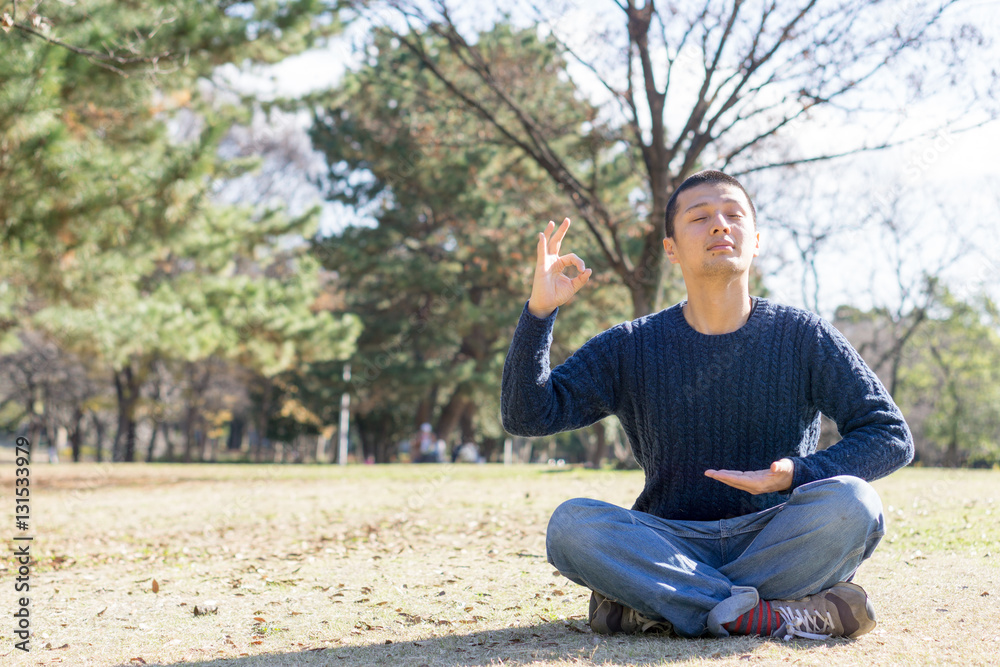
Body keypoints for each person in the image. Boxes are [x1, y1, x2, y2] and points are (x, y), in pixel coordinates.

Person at [500, 170, 913, 641]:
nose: (720, 225)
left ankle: (658, 607)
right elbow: (527, 415)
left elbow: (890, 435)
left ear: (754, 241)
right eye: (700, 217)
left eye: (733, 216)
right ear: (671, 248)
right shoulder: (631, 346)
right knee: (572, 525)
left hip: (775, 537)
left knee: (854, 503)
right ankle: (769, 615)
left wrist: (795, 474)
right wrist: (538, 314)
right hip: (669, 542)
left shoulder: (803, 336)